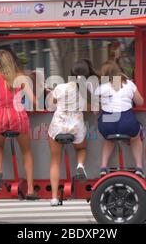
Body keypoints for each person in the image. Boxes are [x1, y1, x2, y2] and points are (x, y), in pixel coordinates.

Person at [0, 49, 39, 200]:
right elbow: (34, 101)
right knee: (26, 152)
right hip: (18, 116)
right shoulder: (21, 77)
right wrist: (32, 109)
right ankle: (29, 189)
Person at [47, 60, 91, 206]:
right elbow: (91, 107)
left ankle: (54, 197)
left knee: (55, 161)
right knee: (82, 148)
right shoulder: (87, 89)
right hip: (76, 126)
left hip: (58, 126)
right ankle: (79, 165)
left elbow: (52, 102)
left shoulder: (60, 87)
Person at [95, 61, 145, 178]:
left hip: (107, 122)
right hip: (126, 120)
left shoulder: (100, 88)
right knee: (136, 137)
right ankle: (139, 167)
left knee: (109, 139)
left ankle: (103, 167)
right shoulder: (128, 84)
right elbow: (140, 102)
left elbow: (95, 111)